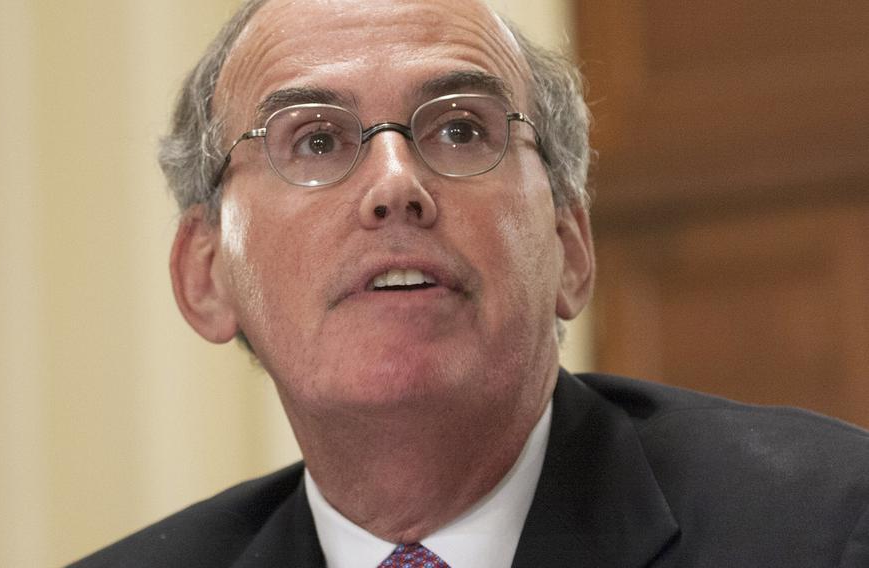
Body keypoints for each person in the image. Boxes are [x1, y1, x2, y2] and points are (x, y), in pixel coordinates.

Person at [70, 0, 869, 566]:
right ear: (205, 276)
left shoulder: (828, 528)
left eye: (459, 129)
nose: (394, 184)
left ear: (570, 245)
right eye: (315, 141)